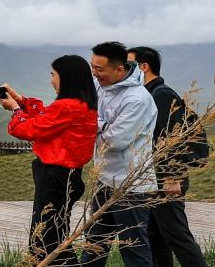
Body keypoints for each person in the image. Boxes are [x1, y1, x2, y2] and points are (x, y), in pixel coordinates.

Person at [0, 55, 98, 266]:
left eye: (53, 75)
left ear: (66, 77)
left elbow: (29, 128)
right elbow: (46, 118)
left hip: (55, 176)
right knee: (53, 234)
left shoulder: (67, 107)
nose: (51, 80)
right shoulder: (82, 105)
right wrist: (21, 100)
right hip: (67, 176)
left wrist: (16, 110)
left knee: (46, 239)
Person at [80, 41, 158, 267]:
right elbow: (86, 111)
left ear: (120, 70)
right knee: (94, 244)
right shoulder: (100, 86)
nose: (94, 73)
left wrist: (95, 124)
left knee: (132, 247)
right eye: (92, 67)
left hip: (130, 184)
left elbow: (115, 141)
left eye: (99, 69)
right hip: (104, 178)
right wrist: (103, 125)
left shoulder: (138, 99)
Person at [128, 46, 207, 267]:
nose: (123, 69)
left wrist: (172, 178)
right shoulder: (148, 94)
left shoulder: (161, 94)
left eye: (129, 65)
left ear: (143, 67)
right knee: (155, 236)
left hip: (166, 179)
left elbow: (172, 138)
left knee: (177, 236)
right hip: (153, 179)